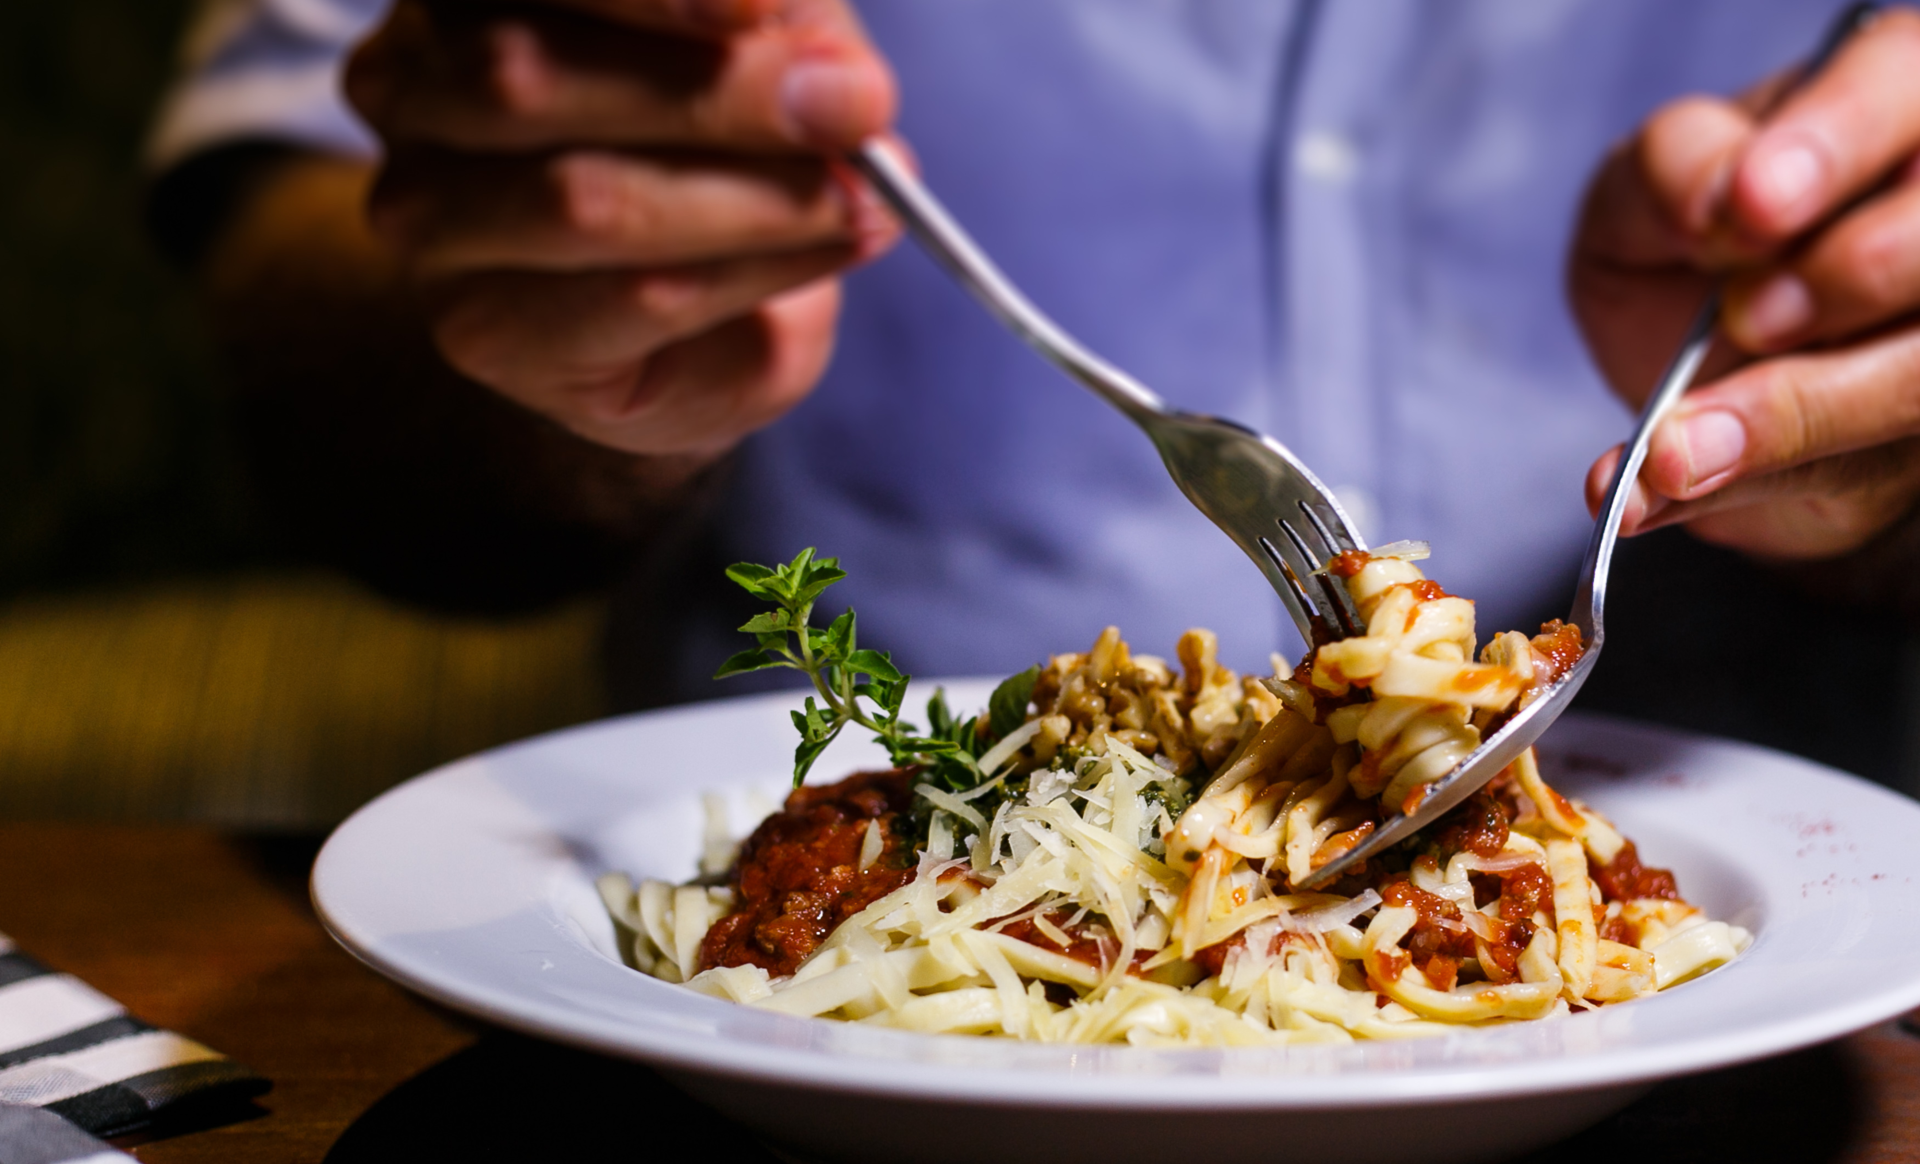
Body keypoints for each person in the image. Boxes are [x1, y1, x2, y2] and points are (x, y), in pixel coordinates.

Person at [148, 1, 1920, 785]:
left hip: (1788, 904)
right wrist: (549, 314)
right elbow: (302, 291)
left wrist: (1862, 422)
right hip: (804, 953)